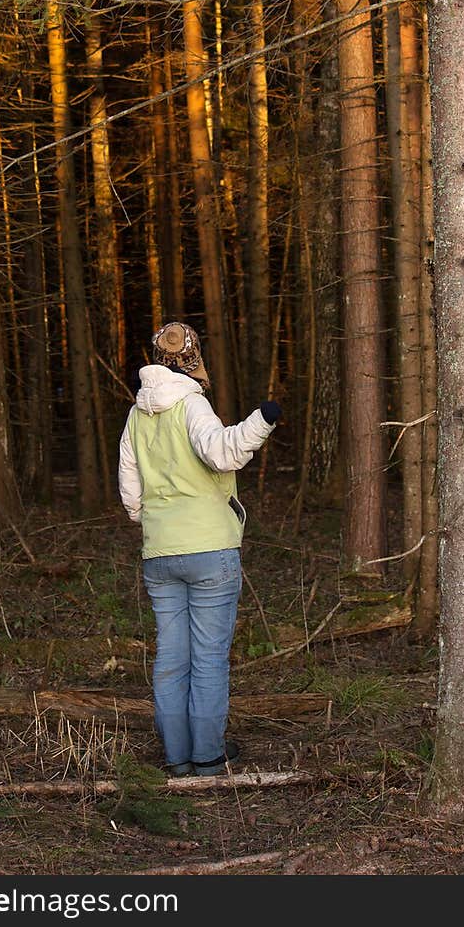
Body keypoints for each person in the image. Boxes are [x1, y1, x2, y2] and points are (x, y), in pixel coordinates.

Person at [118, 320, 282, 777]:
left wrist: (157, 522)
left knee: (171, 658)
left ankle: (177, 758)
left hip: (160, 553)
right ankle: (208, 756)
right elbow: (222, 453)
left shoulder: (136, 415)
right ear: (193, 361)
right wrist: (261, 420)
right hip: (209, 548)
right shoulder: (192, 405)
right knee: (208, 658)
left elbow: (131, 494)